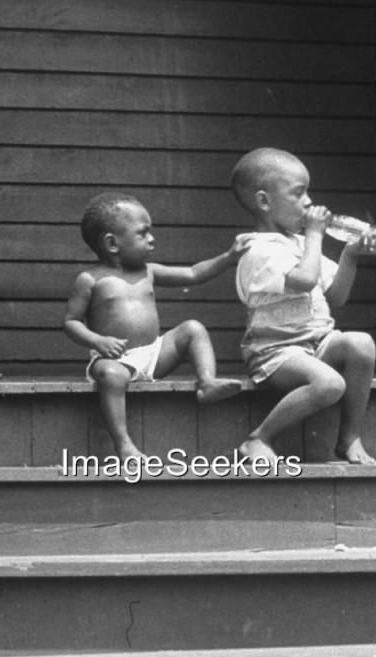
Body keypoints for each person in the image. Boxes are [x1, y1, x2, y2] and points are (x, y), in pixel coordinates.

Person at [64, 192, 251, 460]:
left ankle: (207, 382)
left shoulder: (149, 271)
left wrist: (229, 257)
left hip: (153, 355)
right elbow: (71, 322)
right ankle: (124, 445)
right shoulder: (90, 280)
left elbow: (193, 273)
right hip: (114, 359)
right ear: (112, 243)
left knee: (193, 328)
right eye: (143, 233)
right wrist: (97, 341)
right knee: (111, 375)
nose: (152, 239)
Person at [230, 147, 376, 465]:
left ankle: (349, 438)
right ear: (264, 201)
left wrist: (350, 256)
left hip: (316, 344)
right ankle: (258, 438)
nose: (309, 202)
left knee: (361, 343)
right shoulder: (258, 251)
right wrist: (315, 235)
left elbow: (337, 297)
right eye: (299, 194)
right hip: (278, 354)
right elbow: (303, 280)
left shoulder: (300, 244)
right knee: (329, 384)